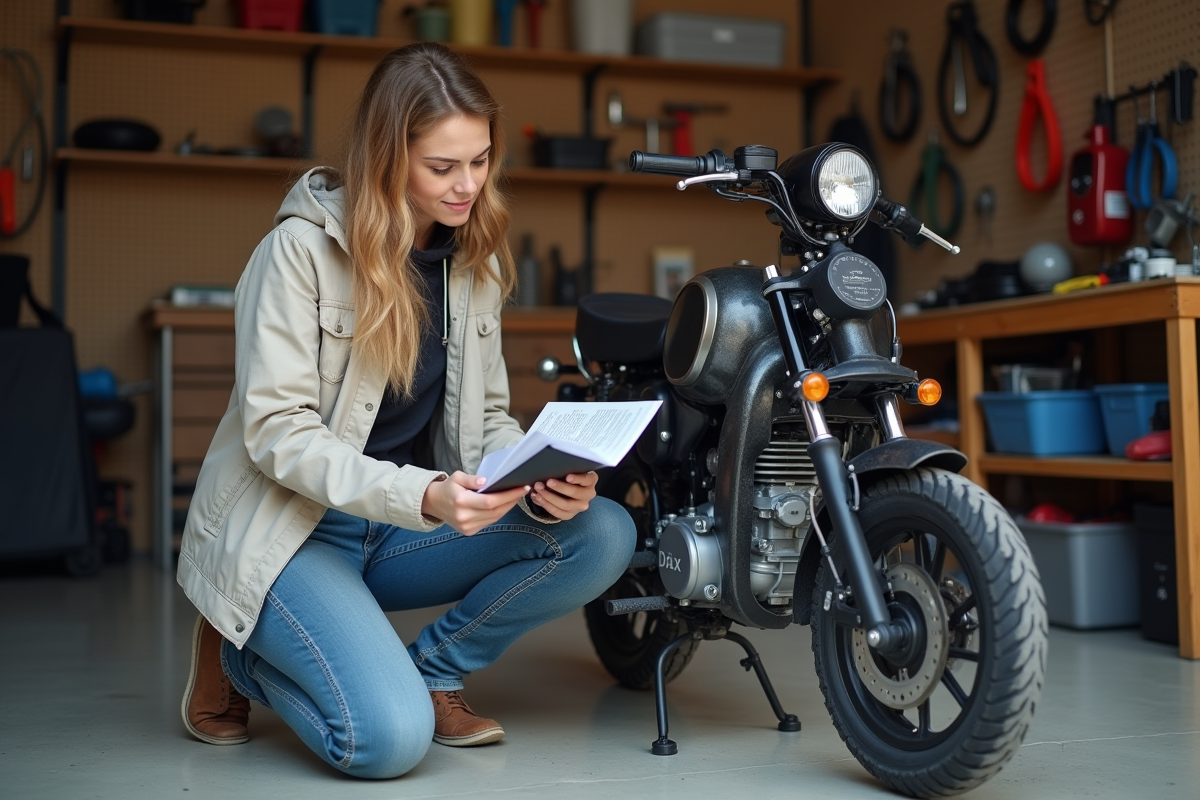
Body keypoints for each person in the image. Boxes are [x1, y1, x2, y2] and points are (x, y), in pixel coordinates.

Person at [176, 42, 635, 780]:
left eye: (480, 161)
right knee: (386, 744)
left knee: (601, 531)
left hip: (399, 525)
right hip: (293, 529)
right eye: (442, 167)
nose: (468, 186)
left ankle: (434, 671)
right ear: (389, 158)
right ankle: (239, 650)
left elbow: (485, 416)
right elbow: (275, 434)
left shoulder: (472, 261)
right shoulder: (296, 253)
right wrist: (419, 493)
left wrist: (536, 477)